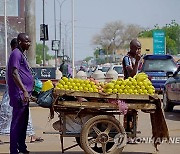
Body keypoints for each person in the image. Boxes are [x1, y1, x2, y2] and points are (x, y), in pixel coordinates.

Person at [0, 38, 43, 144]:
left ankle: (31, 135)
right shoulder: (14, 57)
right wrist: (23, 89)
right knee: (5, 114)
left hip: (21, 92)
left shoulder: (20, 56)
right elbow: (14, 74)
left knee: (24, 114)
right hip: (14, 92)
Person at [7, 33, 34, 154]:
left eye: (29, 42)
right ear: (19, 41)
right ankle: (13, 150)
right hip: (19, 95)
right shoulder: (16, 54)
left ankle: (22, 146)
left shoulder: (21, 54)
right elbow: (14, 73)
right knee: (17, 123)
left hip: (25, 95)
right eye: (26, 41)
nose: (28, 43)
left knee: (23, 124)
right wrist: (23, 90)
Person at [122, 39, 141, 135]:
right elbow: (132, 74)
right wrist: (137, 62)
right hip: (127, 87)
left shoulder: (136, 58)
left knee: (134, 110)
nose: (138, 51)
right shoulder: (127, 59)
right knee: (128, 111)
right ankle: (127, 131)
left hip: (135, 88)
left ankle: (133, 131)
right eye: (137, 49)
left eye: (140, 49)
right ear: (132, 48)